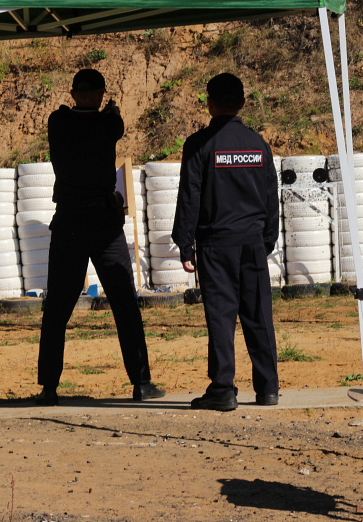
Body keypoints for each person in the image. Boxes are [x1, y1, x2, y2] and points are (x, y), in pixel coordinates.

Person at [36, 69, 165, 406]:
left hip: (69, 221)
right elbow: (114, 126)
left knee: (57, 307)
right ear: (100, 94)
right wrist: (112, 111)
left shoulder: (58, 122)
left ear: (74, 94)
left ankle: (49, 387)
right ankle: (141, 383)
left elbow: (74, 120)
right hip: (104, 223)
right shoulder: (109, 124)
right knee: (124, 303)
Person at [172, 72, 280, 411]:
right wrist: (267, 239)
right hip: (253, 242)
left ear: (209, 104)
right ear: (243, 103)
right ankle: (268, 389)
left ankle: (223, 389)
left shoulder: (200, 144)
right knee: (259, 315)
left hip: (216, 244)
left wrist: (185, 243)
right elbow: (271, 196)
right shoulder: (258, 144)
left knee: (221, 316)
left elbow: (190, 196)